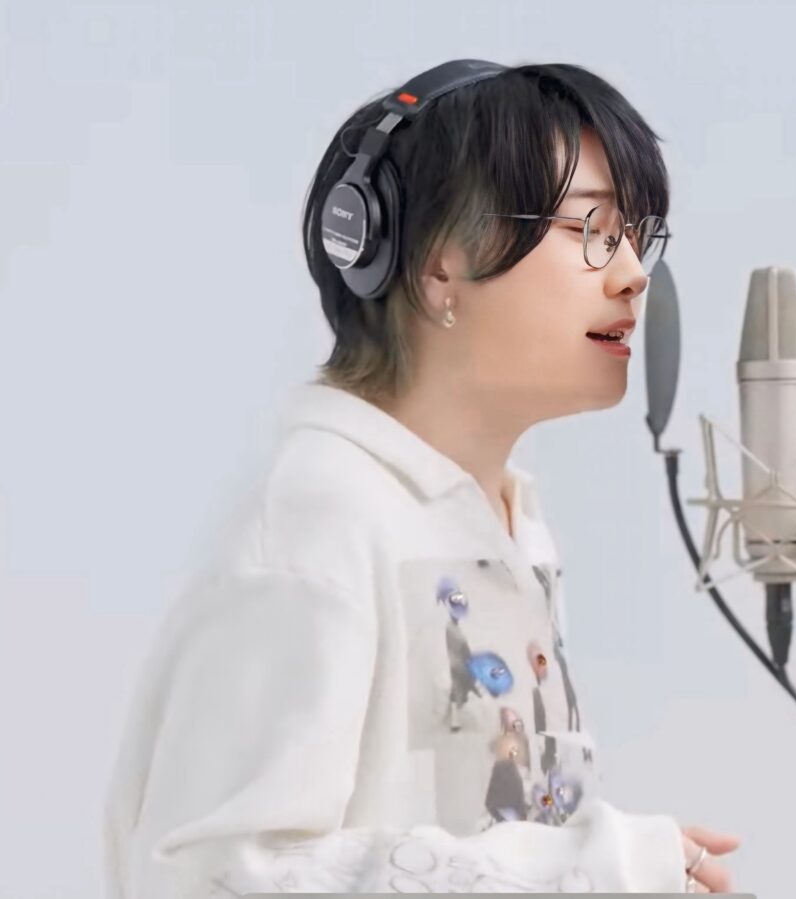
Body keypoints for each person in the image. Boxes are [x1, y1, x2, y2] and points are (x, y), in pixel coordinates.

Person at [102, 60, 741, 895]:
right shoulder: (319, 519)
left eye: (634, 235)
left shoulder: (509, 523)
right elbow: (207, 876)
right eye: (590, 227)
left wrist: (607, 868)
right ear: (440, 266)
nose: (631, 273)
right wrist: (592, 867)